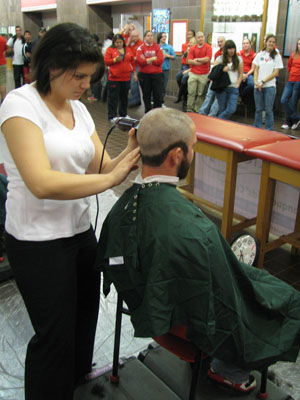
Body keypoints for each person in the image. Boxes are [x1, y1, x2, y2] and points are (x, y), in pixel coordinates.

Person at [96, 107, 300, 395]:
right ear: (176, 156)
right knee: (287, 301)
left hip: (148, 305)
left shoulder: (120, 209)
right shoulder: (197, 233)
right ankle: (226, 369)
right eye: (193, 148)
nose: (194, 153)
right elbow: (226, 306)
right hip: (187, 324)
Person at [0, 22, 140, 400]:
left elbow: (102, 168)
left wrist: (131, 153)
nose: (86, 86)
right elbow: (41, 182)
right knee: (54, 336)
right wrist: (112, 181)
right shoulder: (19, 105)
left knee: (83, 323)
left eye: (90, 78)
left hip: (79, 234)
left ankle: (78, 386)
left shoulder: (77, 109)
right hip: (37, 241)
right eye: (79, 76)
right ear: (51, 67)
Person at [253, 34, 283, 130]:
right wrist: (256, 82)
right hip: (258, 86)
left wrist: (263, 81)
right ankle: (257, 128)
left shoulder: (277, 56)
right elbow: (256, 69)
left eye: (273, 42)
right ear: (265, 42)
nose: (271, 43)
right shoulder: (260, 54)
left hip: (269, 86)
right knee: (258, 109)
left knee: (268, 110)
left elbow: (275, 72)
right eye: (270, 41)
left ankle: (269, 129)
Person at [104, 33, 137, 122]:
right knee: (113, 97)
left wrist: (134, 73)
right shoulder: (110, 50)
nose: (118, 44)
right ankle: (112, 116)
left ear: (123, 42)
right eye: (116, 42)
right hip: (114, 78)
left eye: (120, 42)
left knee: (124, 97)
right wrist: (114, 60)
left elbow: (132, 62)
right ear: (114, 43)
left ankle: (123, 114)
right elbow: (106, 61)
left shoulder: (128, 49)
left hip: (126, 78)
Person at [214, 39, 243, 120]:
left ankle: (217, 121)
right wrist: (222, 69)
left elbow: (241, 73)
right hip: (222, 87)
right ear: (226, 49)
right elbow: (214, 71)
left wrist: (238, 83)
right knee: (221, 108)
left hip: (233, 87)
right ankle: (221, 127)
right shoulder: (220, 58)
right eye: (230, 48)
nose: (232, 50)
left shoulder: (238, 59)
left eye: (233, 48)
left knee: (231, 109)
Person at [136, 30, 163, 113]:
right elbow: (140, 61)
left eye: (151, 35)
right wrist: (153, 58)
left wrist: (147, 60)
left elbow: (160, 60)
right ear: (144, 37)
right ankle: (147, 111)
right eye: (148, 35)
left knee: (157, 94)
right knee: (146, 94)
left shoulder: (158, 47)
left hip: (156, 74)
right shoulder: (140, 48)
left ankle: (157, 112)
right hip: (144, 75)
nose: (150, 37)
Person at [199, 35, 225, 116]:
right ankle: (202, 112)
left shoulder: (230, 53)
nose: (220, 43)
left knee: (218, 98)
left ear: (225, 42)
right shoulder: (217, 54)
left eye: (221, 41)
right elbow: (215, 66)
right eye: (218, 42)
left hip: (223, 79)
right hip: (215, 77)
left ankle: (212, 115)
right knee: (209, 95)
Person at [186, 31, 212, 112]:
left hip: (204, 74)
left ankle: (197, 110)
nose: (201, 39)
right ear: (196, 38)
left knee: (200, 94)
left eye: (202, 37)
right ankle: (189, 109)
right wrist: (199, 61)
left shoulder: (208, 47)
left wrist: (197, 59)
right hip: (193, 73)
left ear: (204, 37)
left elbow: (208, 59)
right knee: (191, 92)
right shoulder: (192, 48)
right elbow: (189, 61)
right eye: (199, 37)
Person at [280, 37, 300, 131]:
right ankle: (296, 119)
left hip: (298, 82)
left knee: (293, 102)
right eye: (299, 44)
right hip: (290, 80)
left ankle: (289, 122)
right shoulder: (293, 55)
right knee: (284, 99)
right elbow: (289, 66)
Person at [174, 29, 195, 103]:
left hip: (192, 68)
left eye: (190, 34)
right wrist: (188, 50)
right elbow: (185, 57)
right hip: (186, 65)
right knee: (178, 76)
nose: (188, 36)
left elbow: (194, 65)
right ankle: (183, 94)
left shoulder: (196, 49)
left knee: (184, 78)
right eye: (187, 34)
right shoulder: (185, 45)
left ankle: (182, 97)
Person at [157, 32, 176, 105]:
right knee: (156, 86)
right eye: (163, 37)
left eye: (165, 36)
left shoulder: (169, 47)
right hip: (156, 69)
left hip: (165, 69)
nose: (164, 38)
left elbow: (174, 57)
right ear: (159, 38)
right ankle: (155, 100)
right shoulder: (156, 46)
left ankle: (161, 101)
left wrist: (167, 55)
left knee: (163, 86)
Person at [127, 29, 143, 107]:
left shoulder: (141, 44)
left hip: (138, 66)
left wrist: (136, 58)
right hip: (130, 65)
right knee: (132, 84)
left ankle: (136, 100)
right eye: (132, 36)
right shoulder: (130, 44)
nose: (134, 38)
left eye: (135, 36)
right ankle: (135, 99)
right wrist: (128, 42)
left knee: (133, 83)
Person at [238, 38, 256, 104]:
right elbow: (237, 65)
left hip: (249, 73)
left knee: (251, 85)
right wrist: (242, 74)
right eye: (244, 43)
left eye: (247, 43)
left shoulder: (254, 55)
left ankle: (240, 95)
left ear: (250, 44)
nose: (245, 45)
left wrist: (246, 75)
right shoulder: (239, 53)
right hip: (240, 72)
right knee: (235, 82)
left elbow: (253, 68)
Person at [0, 34, 8, 103]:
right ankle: (3, 100)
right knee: (2, 82)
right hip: (2, 63)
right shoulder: (2, 39)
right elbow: (5, 50)